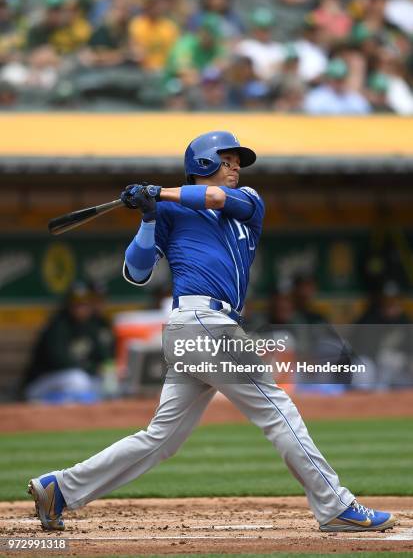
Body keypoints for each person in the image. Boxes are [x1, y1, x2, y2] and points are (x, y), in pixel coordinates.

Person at [28, 131, 395, 533]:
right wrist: (149, 216)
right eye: (228, 159)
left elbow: (215, 199)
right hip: (201, 324)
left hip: (206, 328)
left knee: (162, 439)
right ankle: (336, 505)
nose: (236, 166)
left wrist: (157, 192)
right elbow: (136, 272)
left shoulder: (249, 200)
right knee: (278, 411)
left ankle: (59, 488)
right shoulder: (168, 211)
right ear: (202, 162)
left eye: (237, 160)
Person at [23, 281, 114, 404]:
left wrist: (106, 370)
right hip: (40, 383)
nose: (81, 307)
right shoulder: (57, 326)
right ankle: (46, 401)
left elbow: (103, 356)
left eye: (85, 304)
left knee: (106, 383)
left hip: (74, 380)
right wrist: (92, 368)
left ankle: (70, 403)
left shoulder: (91, 326)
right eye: (76, 304)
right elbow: (59, 361)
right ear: (68, 304)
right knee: (78, 379)